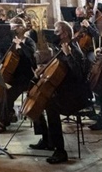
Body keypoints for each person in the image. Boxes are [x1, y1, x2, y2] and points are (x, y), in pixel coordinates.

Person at [28, 21, 92, 164]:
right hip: (64, 92)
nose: (54, 35)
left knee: (50, 106)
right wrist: (43, 69)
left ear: (64, 34)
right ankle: (47, 139)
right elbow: (57, 67)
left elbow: (79, 74)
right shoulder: (61, 47)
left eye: (56, 32)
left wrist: (68, 55)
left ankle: (60, 150)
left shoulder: (74, 49)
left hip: (76, 96)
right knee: (39, 98)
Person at [0, 17, 36, 132]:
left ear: (21, 28)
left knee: (8, 91)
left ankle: (3, 121)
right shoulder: (13, 40)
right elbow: (10, 55)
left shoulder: (29, 41)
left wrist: (21, 44)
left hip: (25, 77)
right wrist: (1, 60)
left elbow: (30, 57)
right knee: (0, 88)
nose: (12, 30)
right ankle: (9, 113)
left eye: (15, 27)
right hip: (14, 75)